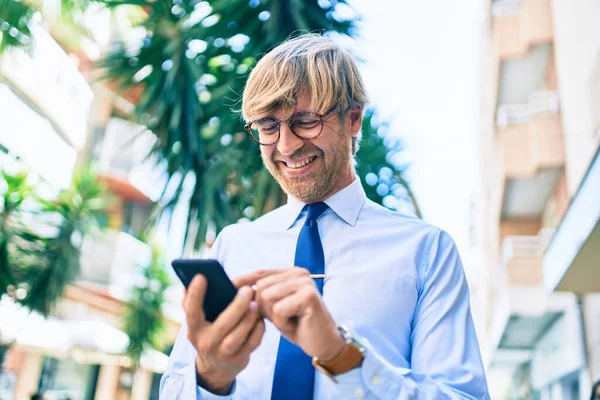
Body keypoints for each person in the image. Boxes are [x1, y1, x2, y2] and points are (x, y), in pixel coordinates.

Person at [160, 33, 490, 399]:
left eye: (305, 120)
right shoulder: (233, 246)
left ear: (353, 119)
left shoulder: (426, 251)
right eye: (269, 126)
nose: (286, 146)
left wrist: (339, 354)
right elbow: (174, 387)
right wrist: (211, 376)